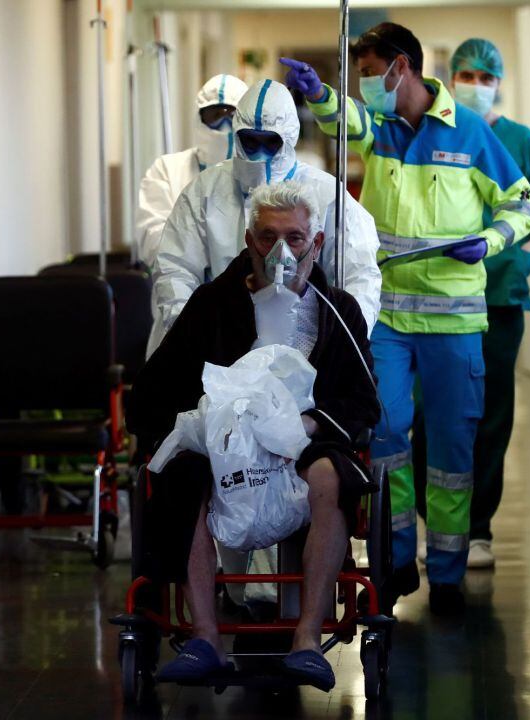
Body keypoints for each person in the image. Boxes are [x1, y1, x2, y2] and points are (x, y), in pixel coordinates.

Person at [282, 22, 530, 615]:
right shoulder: (383, 129)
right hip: (390, 319)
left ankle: (446, 572)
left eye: (371, 72)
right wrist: (319, 94)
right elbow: (345, 120)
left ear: (403, 68)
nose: (366, 84)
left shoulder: (471, 134)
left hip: (453, 325)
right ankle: (393, 563)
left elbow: (520, 202)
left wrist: (491, 241)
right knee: (388, 437)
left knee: (451, 449)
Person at [128, 181, 381, 692]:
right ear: (248, 240)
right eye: (268, 237)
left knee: (331, 474)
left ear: (319, 242)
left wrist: (309, 423)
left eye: (295, 236)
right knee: (183, 474)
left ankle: (307, 640)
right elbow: (151, 396)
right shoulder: (212, 306)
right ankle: (204, 637)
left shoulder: (338, 312)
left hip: (308, 444)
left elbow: (364, 403)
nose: (281, 251)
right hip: (224, 447)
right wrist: (210, 419)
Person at [410, 38, 530, 570]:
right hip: (437, 301)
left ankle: (478, 528)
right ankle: (436, 521)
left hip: (499, 296)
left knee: (490, 414)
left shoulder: (519, 140)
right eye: (467, 75)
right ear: (449, 77)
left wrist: (529, 253)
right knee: (430, 410)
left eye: (485, 77)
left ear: (499, 82)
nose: (475, 84)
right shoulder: (433, 133)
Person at [148, 79, 382, 355]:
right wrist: (192, 336)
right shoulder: (206, 190)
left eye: (270, 142)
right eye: (250, 140)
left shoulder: (327, 195)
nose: (259, 152)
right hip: (223, 340)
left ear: (289, 138)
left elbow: (360, 275)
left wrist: (341, 344)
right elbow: (176, 268)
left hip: (309, 343)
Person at [135, 73, 248, 267]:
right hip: (184, 292)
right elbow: (154, 244)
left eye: (233, 116)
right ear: (199, 117)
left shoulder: (261, 174)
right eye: (215, 116)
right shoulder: (167, 170)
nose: (224, 126)